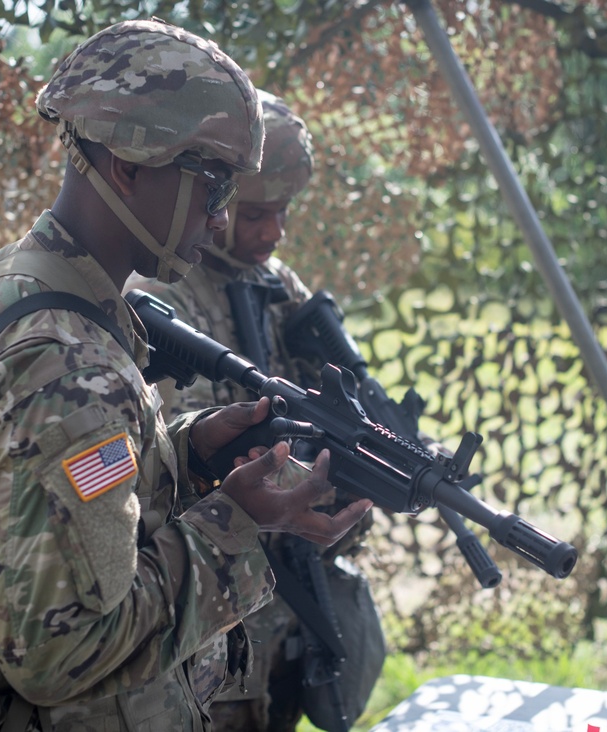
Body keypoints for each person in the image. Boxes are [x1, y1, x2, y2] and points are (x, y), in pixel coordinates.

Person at [0, 20, 372, 732]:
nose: (218, 224)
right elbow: (61, 651)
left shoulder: (22, 289)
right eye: (212, 186)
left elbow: (43, 504)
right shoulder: (65, 363)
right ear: (127, 166)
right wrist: (238, 524)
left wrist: (186, 449)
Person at [125, 91, 385, 732]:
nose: (274, 232)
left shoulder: (275, 283)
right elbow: (170, 460)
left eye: (284, 213)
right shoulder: (159, 294)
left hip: (286, 607)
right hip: (204, 614)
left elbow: (334, 397)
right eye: (258, 214)